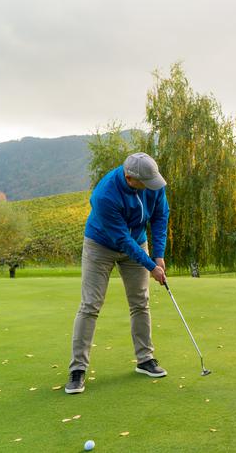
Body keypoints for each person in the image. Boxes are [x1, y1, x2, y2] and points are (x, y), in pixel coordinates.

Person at [65, 152, 170, 394]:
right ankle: (77, 369)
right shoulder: (105, 194)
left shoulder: (153, 182)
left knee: (140, 302)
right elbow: (122, 239)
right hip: (100, 245)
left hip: (137, 242)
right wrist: (150, 266)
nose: (150, 188)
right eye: (145, 183)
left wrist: (159, 255)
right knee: (90, 305)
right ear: (129, 177)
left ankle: (145, 360)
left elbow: (160, 216)